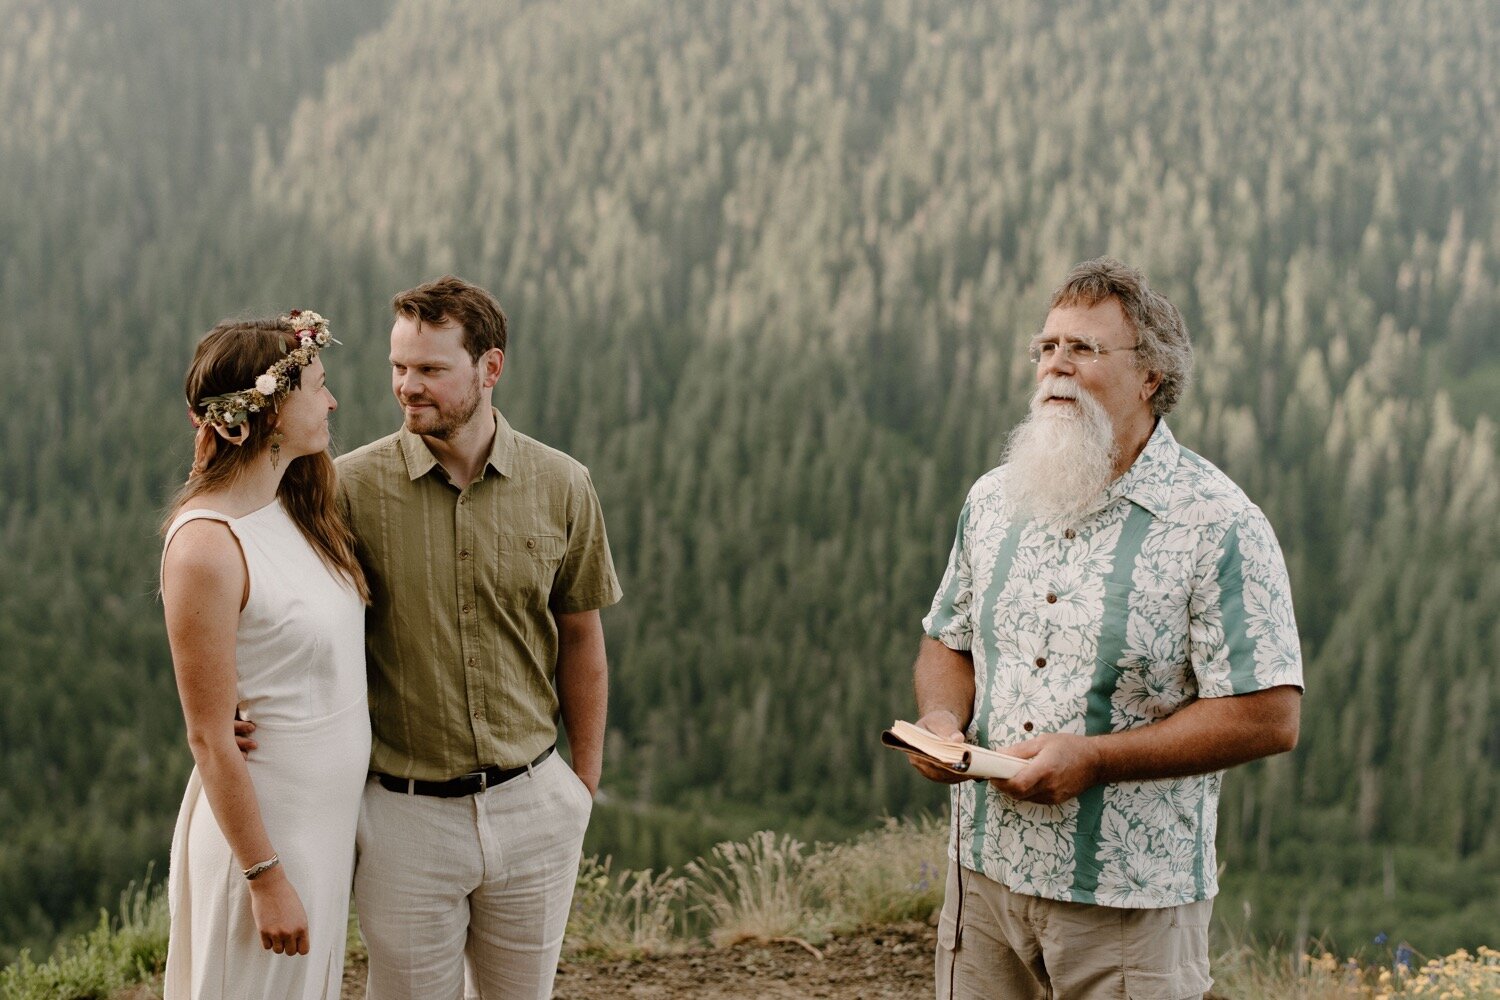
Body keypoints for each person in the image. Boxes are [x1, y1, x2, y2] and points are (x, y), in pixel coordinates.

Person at [909, 258, 1303, 1000]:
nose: (1056, 365)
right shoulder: (995, 498)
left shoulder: (1219, 524)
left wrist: (1094, 758)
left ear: (1151, 375)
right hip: (981, 877)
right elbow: (947, 639)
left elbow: (1269, 715)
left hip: (1129, 903)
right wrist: (940, 720)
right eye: (1047, 346)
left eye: (1083, 349)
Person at [335, 275, 620, 999]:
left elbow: (581, 634)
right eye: (399, 366)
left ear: (490, 369)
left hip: (535, 805)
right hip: (404, 818)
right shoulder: (346, 491)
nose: (407, 386)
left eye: (430, 369)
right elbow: (292, 618)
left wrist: (580, 785)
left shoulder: (562, 483)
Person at [160, 312, 370, 999]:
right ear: (273, 410)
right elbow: (208, 735)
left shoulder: (292, 508)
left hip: (323, 830)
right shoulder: (205, 545)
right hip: (270, 838)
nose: (332, 401)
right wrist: (264, 876)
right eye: (319, 386)